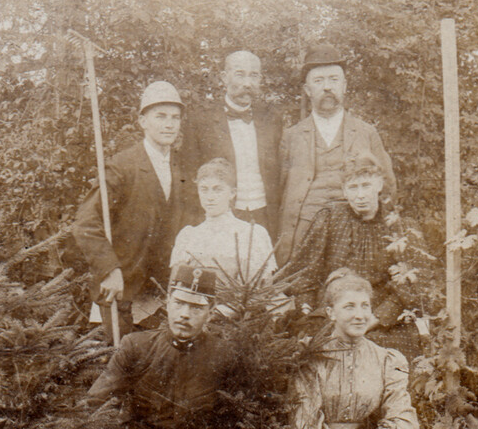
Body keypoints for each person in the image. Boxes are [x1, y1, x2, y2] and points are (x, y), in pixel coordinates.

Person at [71, 81, 189, 343]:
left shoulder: (182, 167)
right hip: (121, 287)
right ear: (142, 121)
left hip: (162, 290)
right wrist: (109, 269)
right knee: (121, 363)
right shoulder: (122, 165)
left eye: (175, 117)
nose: (169, 124)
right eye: (160, 117)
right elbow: (85, 224)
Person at [280, 152, 423, 362]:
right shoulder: (329, 218)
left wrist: (375, 319)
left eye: (366, 185)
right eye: (353, 188)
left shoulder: (400, 227)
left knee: (388, 355)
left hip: (381, 319)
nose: (360, 195)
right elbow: (305, 273)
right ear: (344, 191)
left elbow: (413, 284)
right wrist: (307, 311)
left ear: (379, 185)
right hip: (332, 315)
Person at [87, 265, 236, 429]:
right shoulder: (136, 346)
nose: (185, 314)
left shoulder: (225, 354)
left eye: (196, 308)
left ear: (211, 311)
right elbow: (95, 404)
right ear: (167, 303)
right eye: (179, 303)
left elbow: (238, 417)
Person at [291, 268, 420, 429]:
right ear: (330, 312)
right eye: (349, 307)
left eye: (365, 306)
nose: (360, 316)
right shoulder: (310, 357)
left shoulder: (386, 359)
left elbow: (403, 423)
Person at [276, 44, 397, 264]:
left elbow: (387, 187)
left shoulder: (366, 132)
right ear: (307, 89)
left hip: (354, 232)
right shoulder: (291, 136)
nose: (327, 87)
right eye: (319, 81)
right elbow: (281, 190)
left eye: (333, 80)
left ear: (344, 86)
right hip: (305, 231)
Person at [179, 50, 282, 237]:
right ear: (224, 78)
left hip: (265, 215)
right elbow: (188, 176)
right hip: (221, 216)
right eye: (240, 74)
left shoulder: (272, 118)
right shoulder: (201, 120)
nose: (247, 84)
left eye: (254, 76)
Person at [170, 158, 277, 284]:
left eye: (218, 189)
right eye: (204, 189)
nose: (210, 197)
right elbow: (175, 291)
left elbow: (260, 290)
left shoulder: (253, 234)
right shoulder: (188, 236)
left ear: (232, 193)